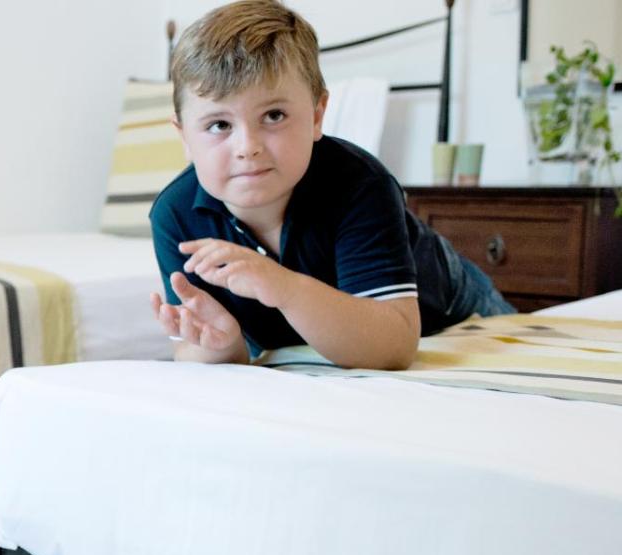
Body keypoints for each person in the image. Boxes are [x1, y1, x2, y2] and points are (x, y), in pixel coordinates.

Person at [149, 0, 513, 370]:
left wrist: (282, 286)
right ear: (184, 136)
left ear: (316, 116)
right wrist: (224, 346)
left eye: (273, 115)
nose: (247, 147)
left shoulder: (359, 184)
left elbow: (395, 345)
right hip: (306, 343)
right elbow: (196, 349)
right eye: (219, 125)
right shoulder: (174, 214)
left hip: (452, 313)